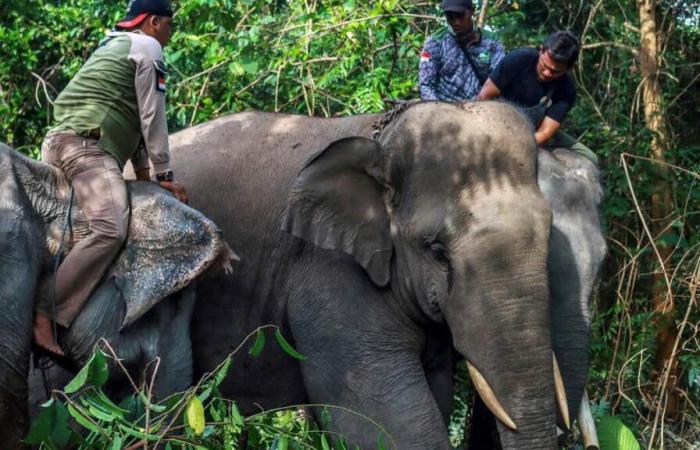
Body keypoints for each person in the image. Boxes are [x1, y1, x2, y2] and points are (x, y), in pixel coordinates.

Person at [33, 0, 188, 356]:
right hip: (85, 148)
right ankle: (44, 311)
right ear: (152, 22)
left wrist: (148, 176)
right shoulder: (149, 48)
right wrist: (165, 172)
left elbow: (130, 118)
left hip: (58, 143)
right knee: (110, 227)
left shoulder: (113, 46)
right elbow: (152, 117)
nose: (170, 34)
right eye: (169, 25)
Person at [477, 31, 598, 164]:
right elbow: (484, 97)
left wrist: (515, 146)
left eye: (555, 71)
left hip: (534, 132)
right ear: (541, 51)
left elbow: (545, 133)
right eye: (545, 66)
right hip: (497, 122)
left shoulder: (567, 90)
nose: (547, 73)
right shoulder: (519, 59)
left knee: (590, 157)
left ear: (568, 68)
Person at [419, 0, 505, 102]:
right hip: (445, 109)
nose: (456, 22)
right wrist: (438, 110)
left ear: (472, 11)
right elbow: (426, 85)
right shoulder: (435, 42)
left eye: (460, 16)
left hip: (482, 109)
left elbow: (499, 81)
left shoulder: (492, 42)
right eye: (450, 17)